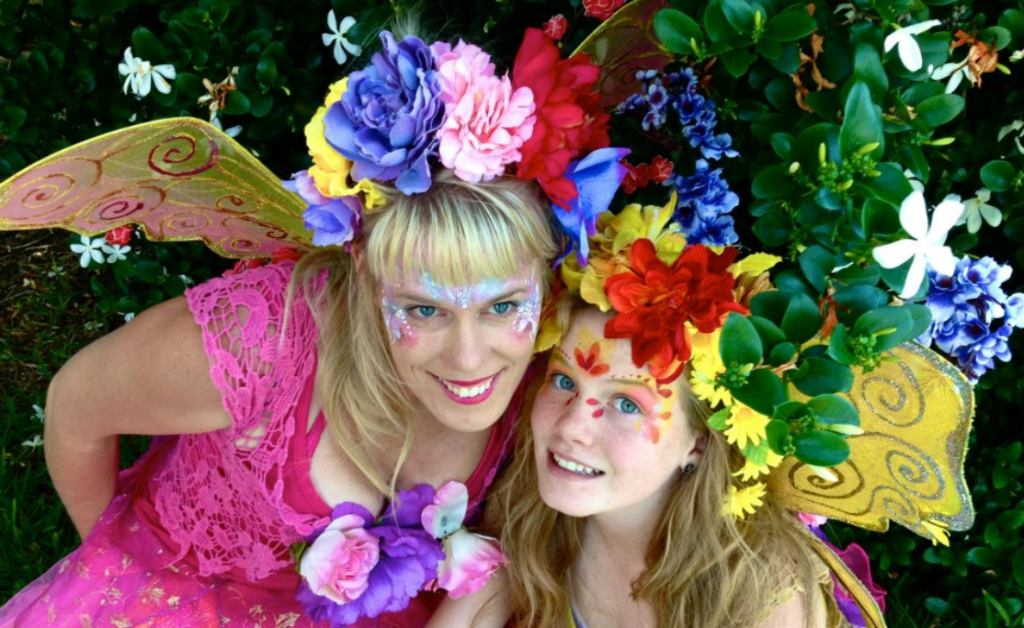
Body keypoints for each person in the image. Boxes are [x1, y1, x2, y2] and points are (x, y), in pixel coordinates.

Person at [0, 22, 637, 627]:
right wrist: (114, 567)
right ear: (362, 270)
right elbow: (75, 408)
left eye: (501, 307)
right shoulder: (260, 341)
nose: (470, 361)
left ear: (549, 277)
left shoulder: (555, 376)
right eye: (423, 309)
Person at [498, 294, 839, 628]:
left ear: (699, 443)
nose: (572, 427)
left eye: (627, 404)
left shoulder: (757, 590)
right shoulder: (524, 515)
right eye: (564, 380)